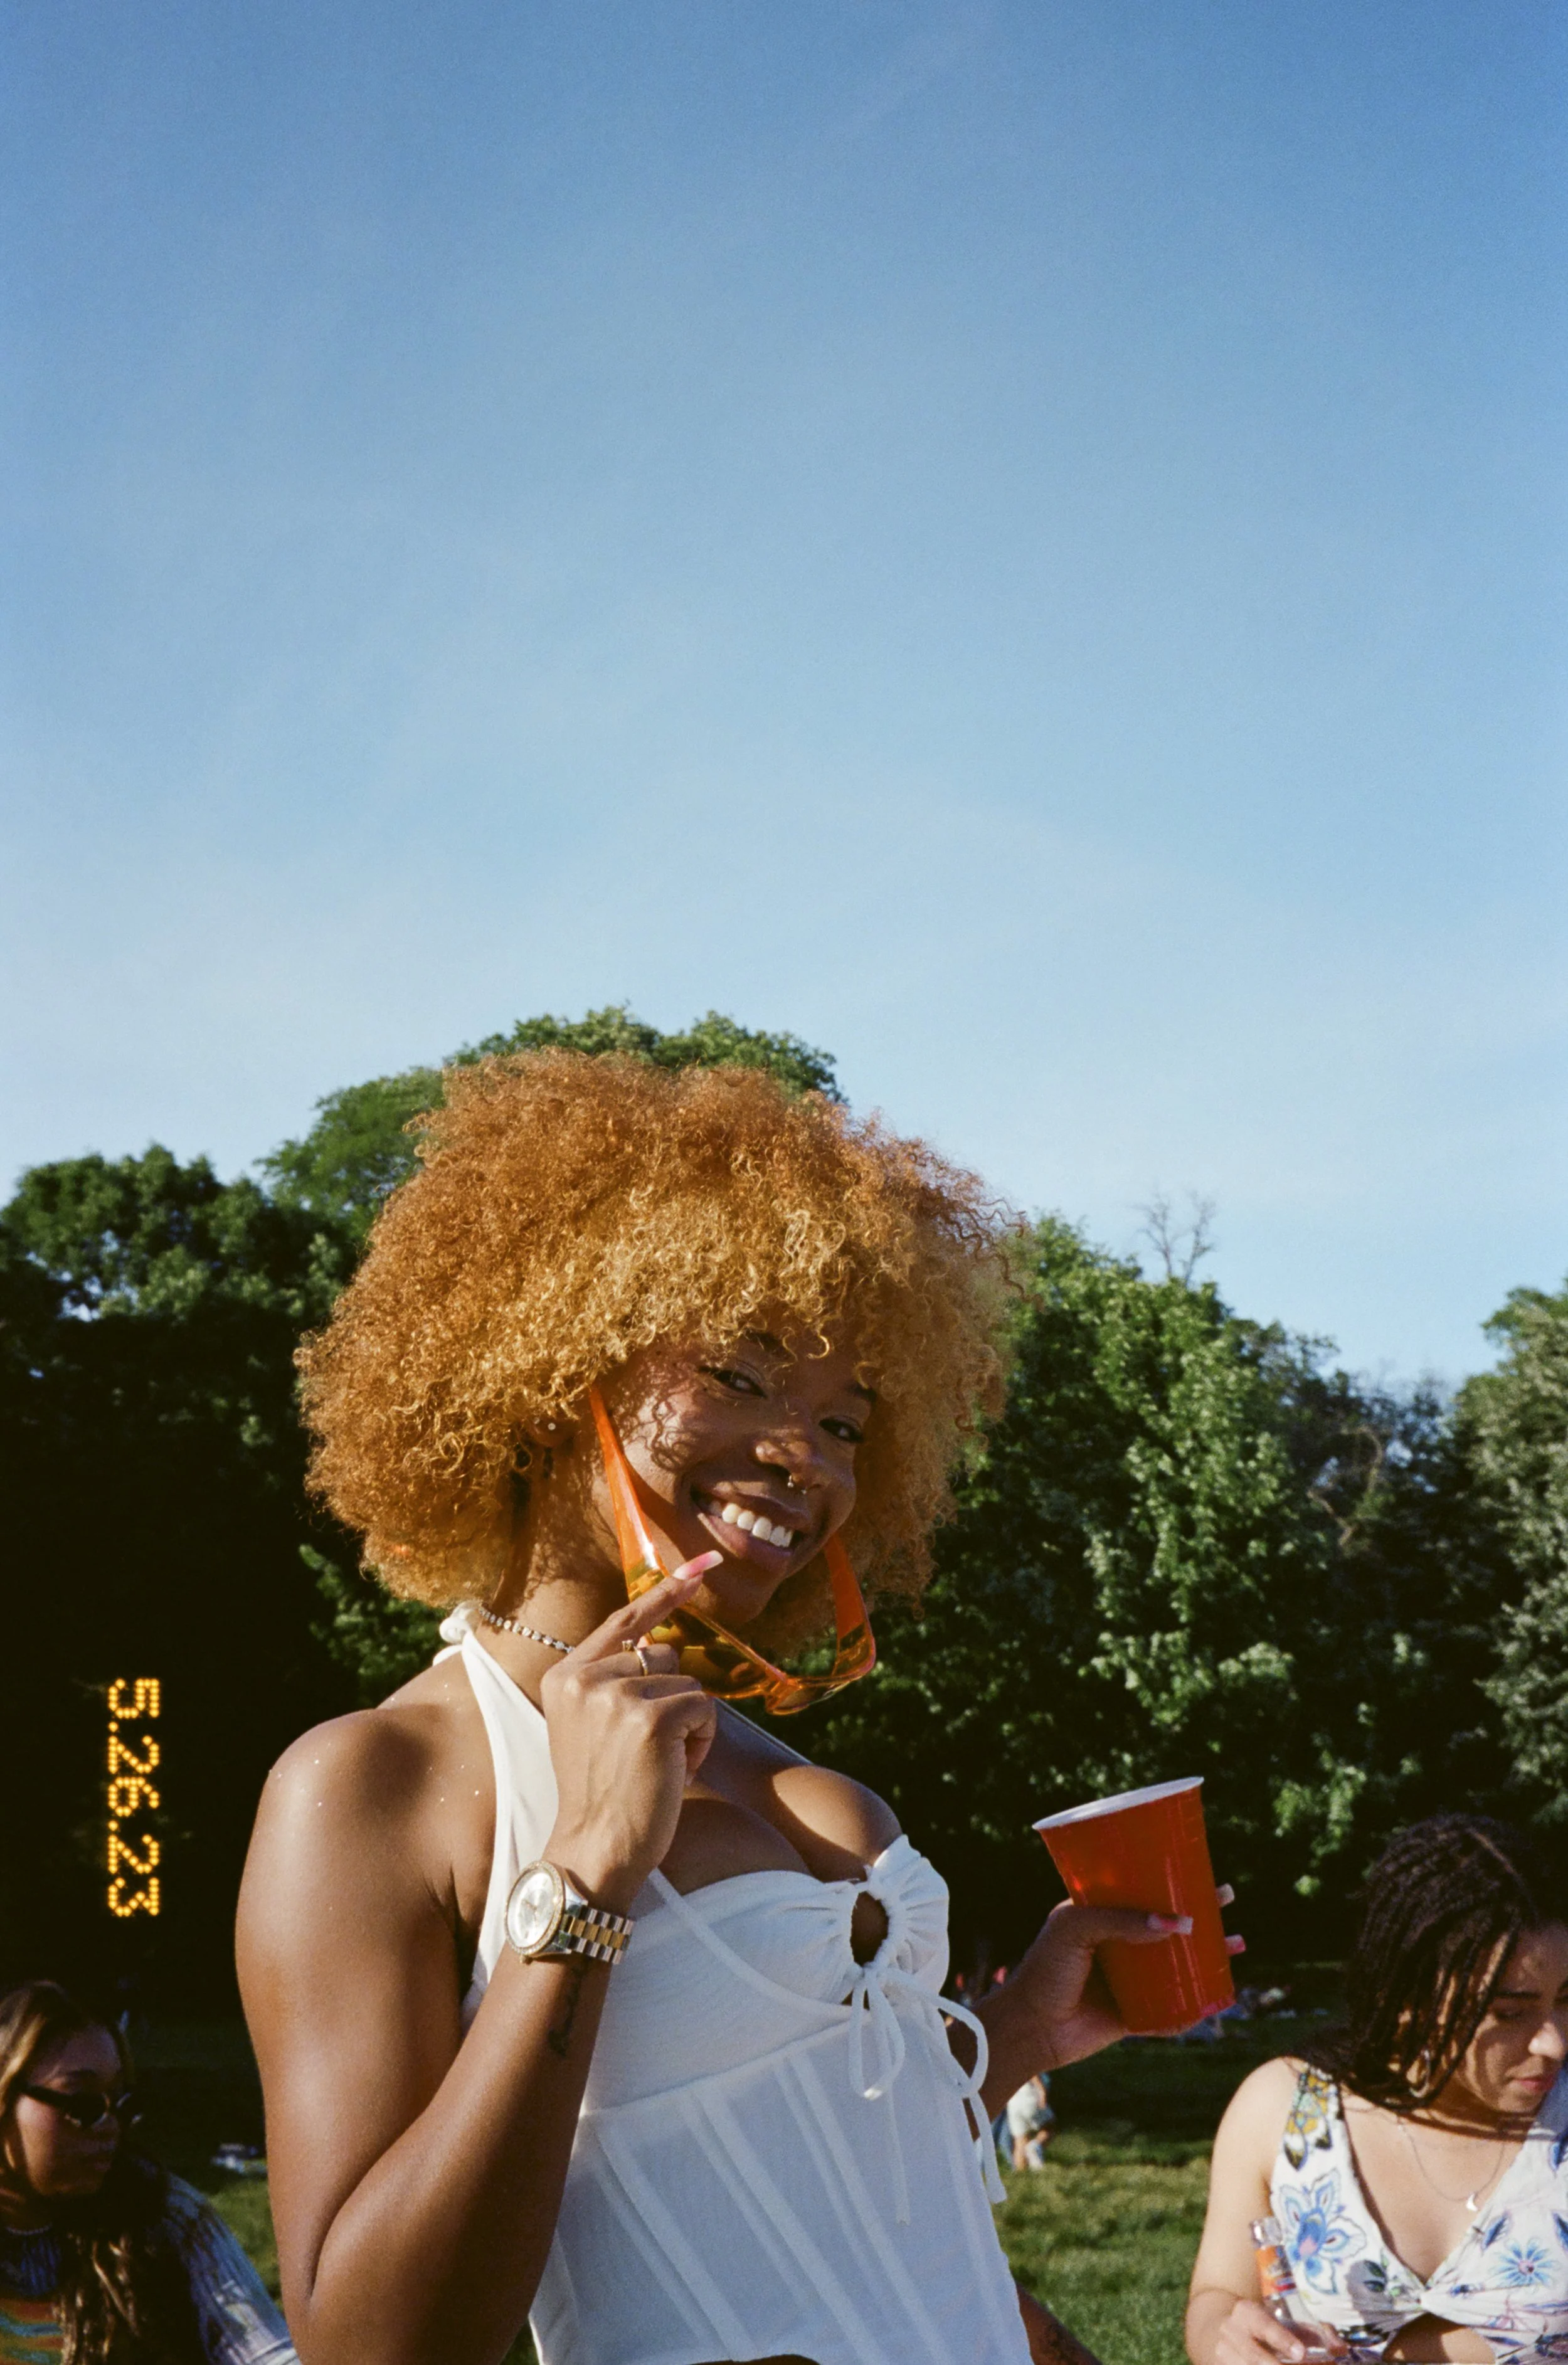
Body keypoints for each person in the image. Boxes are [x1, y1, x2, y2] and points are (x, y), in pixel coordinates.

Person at [238, 1053, 1235, 2365]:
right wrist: (586, 1871)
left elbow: (809, 2164)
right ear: (551, 1362)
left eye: (845, 1421)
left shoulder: (754, 1747)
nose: (807, 1459)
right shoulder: (373, 1784)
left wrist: (1007, 2040)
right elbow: (372, 2341)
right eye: (744, 1374)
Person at [1186, 1814, 1568, 2365]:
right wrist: (1229, 2337)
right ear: (1408, 1996)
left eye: (1566, 1998)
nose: (1553, 2042)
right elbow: (1217, 2295)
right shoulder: (1281, 2108)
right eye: (1510, 2012)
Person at [0, 1978, 296, 2364]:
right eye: (84, 2104)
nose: (110, 2126)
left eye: (122, 2103)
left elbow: (269, 2355)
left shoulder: (163, 2216)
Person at [1004, 2076, 1054, 2172]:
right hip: (1029, 2096)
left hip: (1013, 2103)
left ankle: (1020, 2175)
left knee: (1020, 2141)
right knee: (1049, 2126)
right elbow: (1031, 2073)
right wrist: (1042, 2090)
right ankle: (1035, 2145)